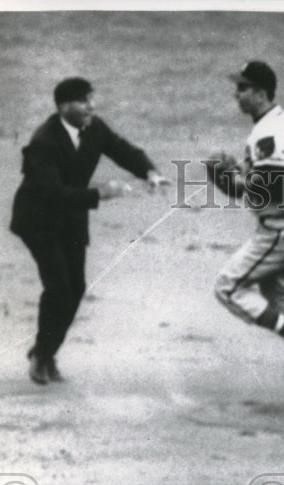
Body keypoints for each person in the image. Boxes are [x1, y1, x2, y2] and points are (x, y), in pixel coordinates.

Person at [10, 77, 169, 385]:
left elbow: (122, 150)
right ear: (63, 106)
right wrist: (101, 194)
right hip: (39, 222)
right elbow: (53, 195)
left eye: (91, 99)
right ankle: (43, 357)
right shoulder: (43, 141)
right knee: (59, 288)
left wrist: (149, 171)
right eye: (83, 101)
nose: (90, 106)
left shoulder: (94, 127)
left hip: (71, 219)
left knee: (77, 288)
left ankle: (44, 352)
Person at [210, 61, 284, 381]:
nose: (236, 95)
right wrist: (240, 176)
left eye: (242, 88)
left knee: (228, 288)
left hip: (280, 233)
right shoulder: (281, 119)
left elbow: (270, 189)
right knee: (282, 300)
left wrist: (230, 182)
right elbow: (271, 180)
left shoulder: (268, 133)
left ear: (260, 93)